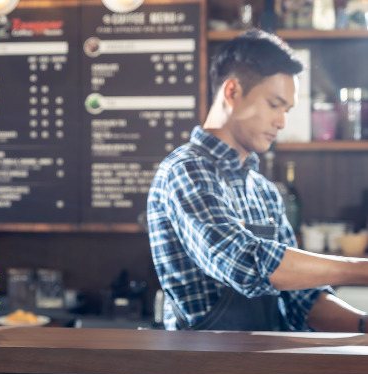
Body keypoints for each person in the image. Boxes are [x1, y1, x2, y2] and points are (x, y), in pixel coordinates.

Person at [147, 29, 368, 332]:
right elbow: (243, 260)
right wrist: (362, 270)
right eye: (274, 104)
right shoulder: (185, 171)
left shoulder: (264, 192)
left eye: (286, 110)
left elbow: (303, 301)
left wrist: (363, 323)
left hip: (269, 371)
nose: (281, 122)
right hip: (205, 372)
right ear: (232, 92)